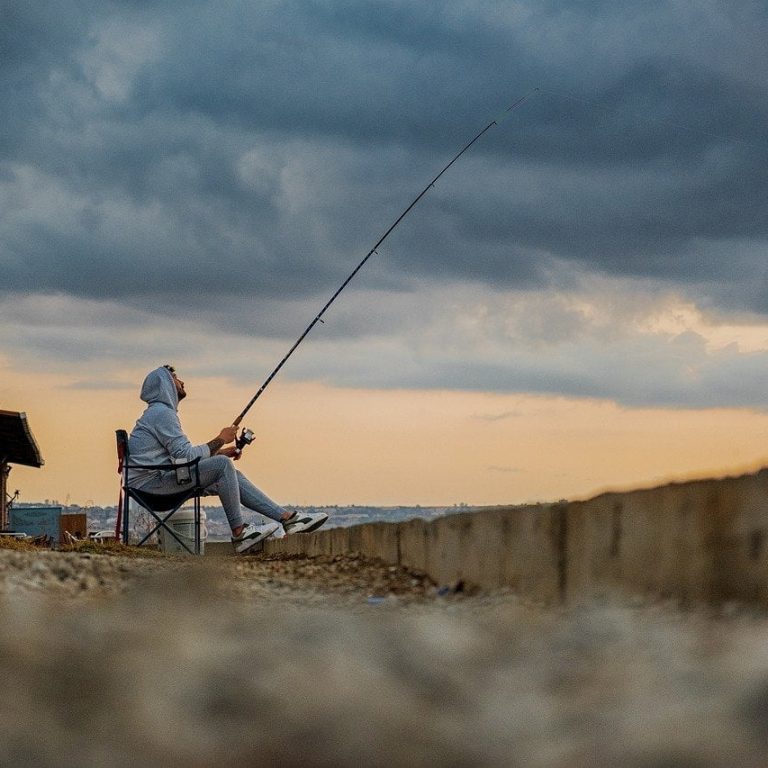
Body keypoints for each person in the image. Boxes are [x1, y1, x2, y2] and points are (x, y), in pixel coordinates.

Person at [127, 365, 327, 553]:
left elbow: (181, 458)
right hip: (151, 488)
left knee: (230, 473)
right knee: (223, 467)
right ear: (165, 385)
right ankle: (240, 534)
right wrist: (221, 439)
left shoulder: (158, 414)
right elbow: (186, 456)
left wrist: (221, 451)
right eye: (176, 378)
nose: (181, 382)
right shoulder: (163, 414)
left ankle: (287, 519)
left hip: (154, 483)